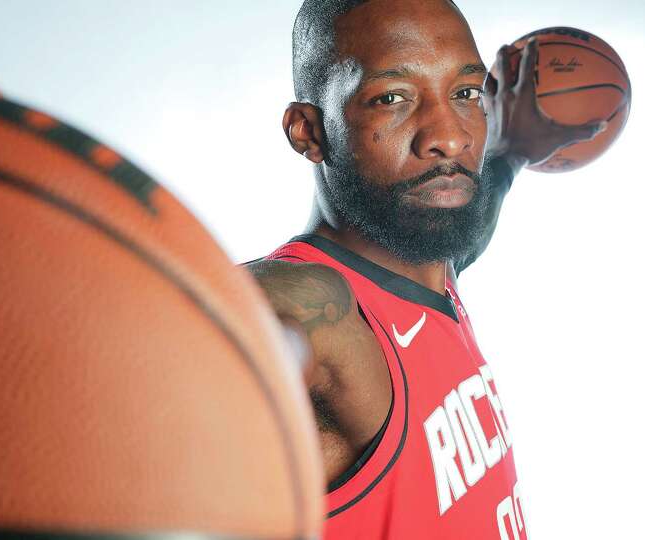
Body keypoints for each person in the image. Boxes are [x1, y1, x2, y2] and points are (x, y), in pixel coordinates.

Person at [246, 1, 604, 538]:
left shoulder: (432, 264)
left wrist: (513, 151)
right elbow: (240, 319)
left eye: (466, 94)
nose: (450, 137)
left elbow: (472, 229)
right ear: (309, 132)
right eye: (392, 98)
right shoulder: (317, 309)